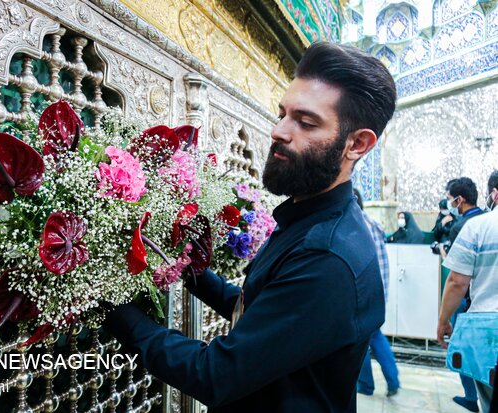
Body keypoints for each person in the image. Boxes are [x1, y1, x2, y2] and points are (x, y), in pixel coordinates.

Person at [104, 41, 397, 412]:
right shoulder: (304, 218)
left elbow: (215, 374)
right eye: (282, 114)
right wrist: (187, 265)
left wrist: (116, 311)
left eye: (305, 122)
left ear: (357, 143)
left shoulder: (328, 256)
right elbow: (259, 311)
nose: (278, 131)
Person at [438, 171, 498, 413]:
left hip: (489, 326)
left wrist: (443, 321)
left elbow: (457, 282)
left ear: (494, 193)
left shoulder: (479, 226)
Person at [353, 189, 400, 398]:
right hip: (378, 292)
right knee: (376, 336)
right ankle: (393, 379)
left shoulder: (355, 226)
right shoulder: (372, 223)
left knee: (361, 340)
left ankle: (365, 385)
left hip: (363, 294)